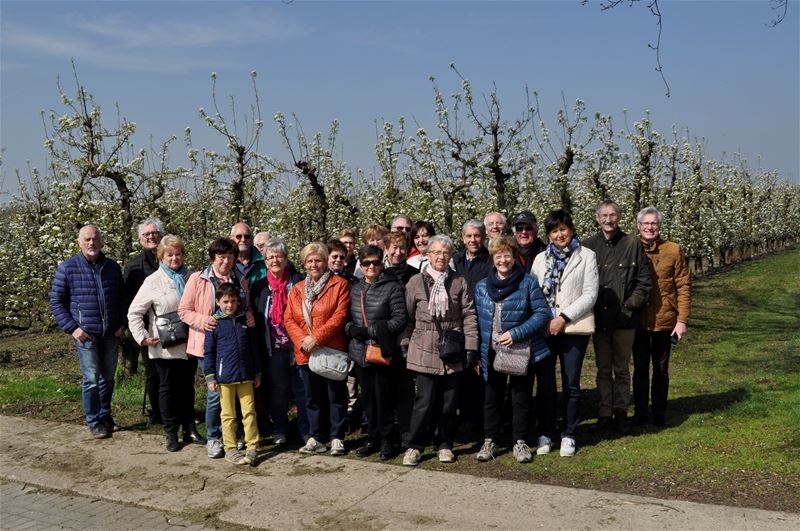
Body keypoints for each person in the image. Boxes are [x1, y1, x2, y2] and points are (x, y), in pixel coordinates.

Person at [401, 235, 479, 466]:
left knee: (448, 402)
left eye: (445, 253)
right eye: (436, 252)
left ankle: (444, 443)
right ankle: (415, 446)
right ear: (427, 255)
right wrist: (405, 345)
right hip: (423, 346)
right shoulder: (415, 282)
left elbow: (469, 316)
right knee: (423, 401)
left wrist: (471, 347)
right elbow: (407, 317)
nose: (441, 257)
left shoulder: (459, 282)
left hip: (452, 349)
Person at [474, 236, 550, 463]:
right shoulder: (481, 286)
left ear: (515, 256)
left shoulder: (527, 283)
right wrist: (478, 352)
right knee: (492, 397)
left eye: (507, 255)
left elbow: (541, 314)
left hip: (520, 349)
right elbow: (477, 320)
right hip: (491, 350)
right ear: (492, 258)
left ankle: (520, 442)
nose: (503, 260)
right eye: (498, 256)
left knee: (520, 396)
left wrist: (516, 333)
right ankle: (490, 440)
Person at [127, 235, 205, 452]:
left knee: (187, 388)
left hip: (189, 343)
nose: (174, 258)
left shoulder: (193, 278)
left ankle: (189, 428)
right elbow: (134, 312)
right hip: (164, 345)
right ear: (161, 256)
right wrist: (142, 336)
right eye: (169, 254)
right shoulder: (152, 281)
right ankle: (171, 431)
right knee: (167, 388)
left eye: (178, 254)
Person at [179, 237, 255, 458]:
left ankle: (233, 435)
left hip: (234, 344)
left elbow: (245, 307)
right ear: (213, 258)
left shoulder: (240, 279)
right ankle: (214, 436)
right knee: (216, 394)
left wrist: (248, 315)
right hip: (207, 343)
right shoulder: (198, 279)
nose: (226, 261)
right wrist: (203, 321)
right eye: (222, 257)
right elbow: (184, 311)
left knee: (237, 395)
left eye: (230, 257)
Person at [532, 209, 599, 457]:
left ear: (570, 229)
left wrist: (562, 317)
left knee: (571, 383)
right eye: (554, 231)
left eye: (563, 229)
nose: (559, 234)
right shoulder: (540, 259)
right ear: (548, 235)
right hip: (544, 330)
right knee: (546, 384)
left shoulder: (586, 256)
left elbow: (590, 294)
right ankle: (546, 432)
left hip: (572, 328)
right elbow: (534, 291)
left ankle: (569, 433)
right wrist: (545, 319)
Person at [50, 224, 126, 439]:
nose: (91, 243)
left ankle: (105, 415)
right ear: (79, 242)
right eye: (87, 239)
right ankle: (94, 420)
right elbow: (56, 302)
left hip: (111, 333)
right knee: (91, 379)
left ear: (101, 241)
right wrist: (72, 328)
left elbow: (122, 299)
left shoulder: (112, 267)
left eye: (95, 239)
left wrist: (122, 324)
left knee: (108, 379)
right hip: (86, 334)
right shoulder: (68, 268)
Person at [583, 200, 651, 433]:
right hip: (600, 319)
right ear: (597, 218)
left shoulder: (632, 243)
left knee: (621, 368)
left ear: (619, 218)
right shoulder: (588, 246)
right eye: (604, 215)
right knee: (603, 369)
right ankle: (604, 413)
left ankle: (621, 411)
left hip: (625, 319)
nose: (608, 220)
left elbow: (644, 281)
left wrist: (630, 305)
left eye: (612, 215)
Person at [284, 242, 351, 456]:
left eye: (318, 260)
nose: (314, 264)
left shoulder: (339, 285)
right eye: (310, 261)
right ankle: (316, 437)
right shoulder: (297, 289)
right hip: (306, 351)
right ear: (304, 264)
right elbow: (288, 319)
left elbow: (339, 317)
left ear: (325, 262)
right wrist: (304, 341)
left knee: (335, 396)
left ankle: (337, 437)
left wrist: (317, 338)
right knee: (312, 397)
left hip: (331, 349)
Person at [345, 245, 407, 460]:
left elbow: (399, 319)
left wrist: (369, 331)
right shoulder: (355, 288)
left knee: (384, 399)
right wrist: (350, 330)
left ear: (382, 263)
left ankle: (387, 440)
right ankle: (372, 437)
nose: (371, 266)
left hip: (381, 351)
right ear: (360, 266)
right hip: (360, 353)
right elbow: (347, 319)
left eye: (376, 262)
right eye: (366, 263)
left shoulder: (392, 287)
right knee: (368, 399)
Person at [633, 206, 691, 427]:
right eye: (645, 223)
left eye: (654, 223)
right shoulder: (631, 247)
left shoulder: (673, 250)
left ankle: (659, 412)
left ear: (660, 226)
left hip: (665, 320)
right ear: (638, 226)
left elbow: (683, 285)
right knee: (639, 370)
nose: (650, 227)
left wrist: (682, 320)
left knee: (661, 369)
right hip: (638, 321)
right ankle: (640, 412)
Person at [250, 238, 310, 445]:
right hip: (273, 347)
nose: (275, 260)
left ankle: (306, 430)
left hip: (298, 346)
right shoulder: (258, 287)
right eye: (270, 257)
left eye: (279, 256)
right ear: (265, 261)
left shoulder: (298, 282)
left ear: (286, 259)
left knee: (302, 390)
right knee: (279, 390)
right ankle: (280, 429)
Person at [203, 283, 261, 466]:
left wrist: (257, 372)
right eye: (226, 301)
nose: (230, 305)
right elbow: (209, 352)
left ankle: (252, 446)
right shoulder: (214, 323)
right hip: (225, 378)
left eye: (233, 301)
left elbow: (254, 349)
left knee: (249, 412)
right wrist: (210, 376)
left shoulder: (245, 321)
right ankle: (230, 448)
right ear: (218, 302)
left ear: (238, 302)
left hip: (246, 376)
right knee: (227, 414)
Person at [452, 220, 493, 435]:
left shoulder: (490, 261)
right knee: (463, 375)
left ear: (483, 236)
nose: (473, 240)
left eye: (477, 235)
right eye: (468, 236)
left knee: (481, 375)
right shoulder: (455, 260)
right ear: (463, 238)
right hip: (459, 325)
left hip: (482, 323)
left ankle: (481, 423)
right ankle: (466, 419)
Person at [123, 217, 164, 425]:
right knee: (152, 372)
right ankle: (156, 412)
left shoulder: (171, 257)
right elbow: (129, 302)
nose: (151, 237)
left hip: (171, 324)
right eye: (146, 235)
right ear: (141, 239)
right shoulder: (134, 267)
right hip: (148, 327)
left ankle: (172, 409)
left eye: (154, 233)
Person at [382, 231, 418, 447]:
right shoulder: (380, 274)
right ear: (386, 249)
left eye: (402, 248)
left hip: (408, 338)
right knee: (386, 389)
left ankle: (407, 434)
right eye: (393, 248)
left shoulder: (415, 274)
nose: (398, 252)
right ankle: (388, 435)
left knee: (406, 390)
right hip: (385, 338)